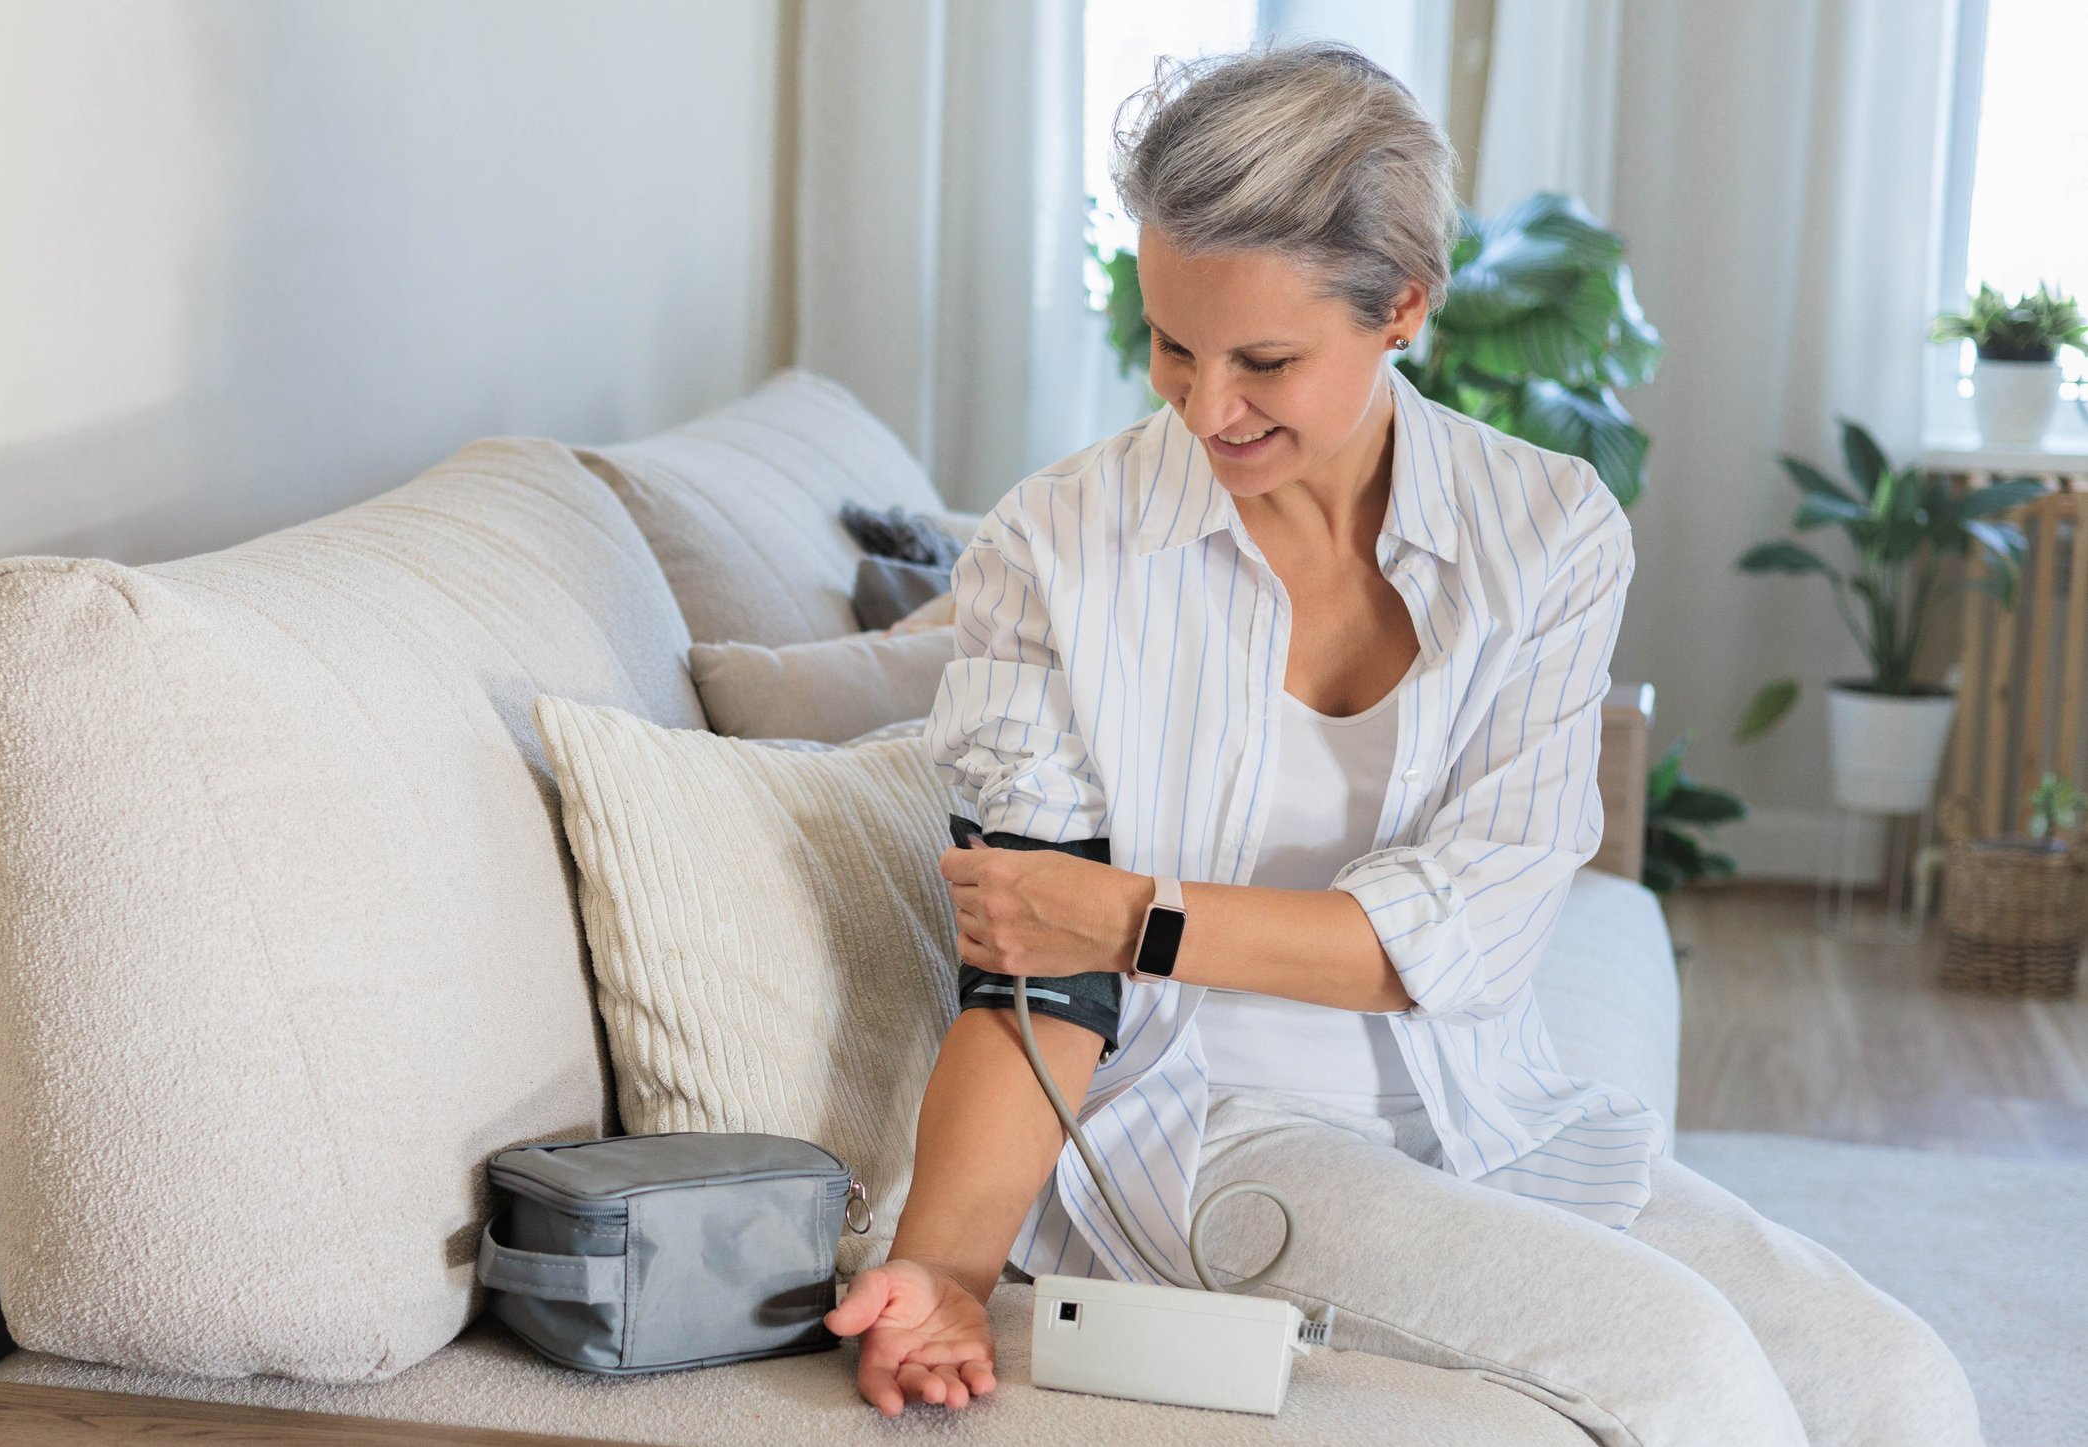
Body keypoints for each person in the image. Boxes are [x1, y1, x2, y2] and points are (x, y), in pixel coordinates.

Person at [823, 40, 1983, 1446]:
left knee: (1895, 1381)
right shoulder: (1053, 548)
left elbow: (1471, 943)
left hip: (1494, 1116)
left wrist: (1135, 914)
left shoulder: (1549, 535)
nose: (1204, 409)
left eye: (1266, 361)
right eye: (1171, 346)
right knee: (1680, 1370)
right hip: (1207, 1137)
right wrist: (943, 1271)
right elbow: (1045, 989)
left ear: (1404, 312)